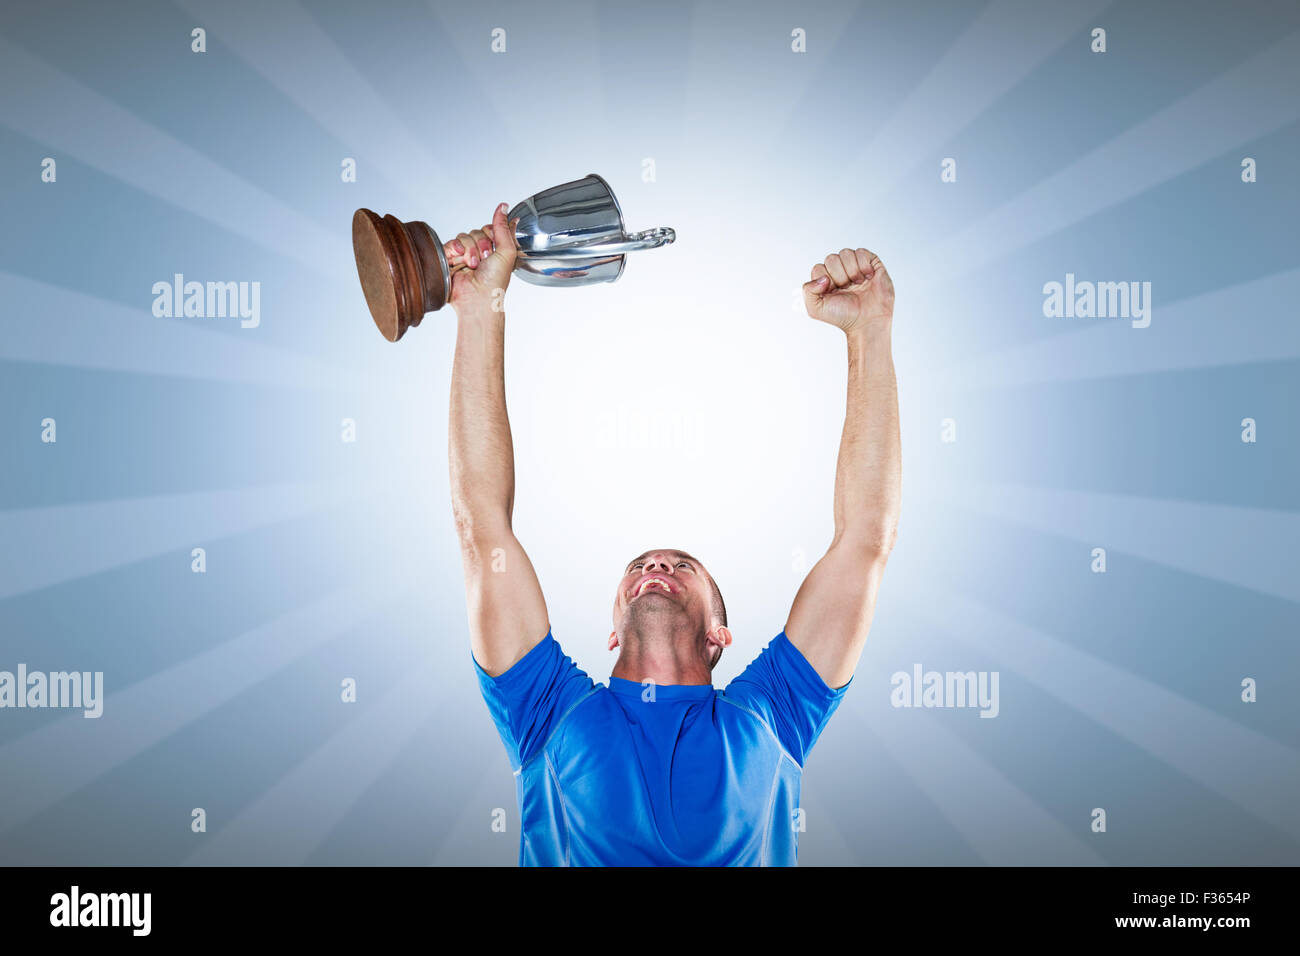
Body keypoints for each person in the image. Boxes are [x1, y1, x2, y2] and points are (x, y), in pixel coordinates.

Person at [446, 202, 900, 866]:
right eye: (644, 565)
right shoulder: (547, 712)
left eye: (683, 566)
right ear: (610, 630)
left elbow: (865, 542)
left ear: (720, 634)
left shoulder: (771, 718)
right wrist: (480, 306)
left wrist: (870, 331)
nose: (656, 561)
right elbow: (479, 524)